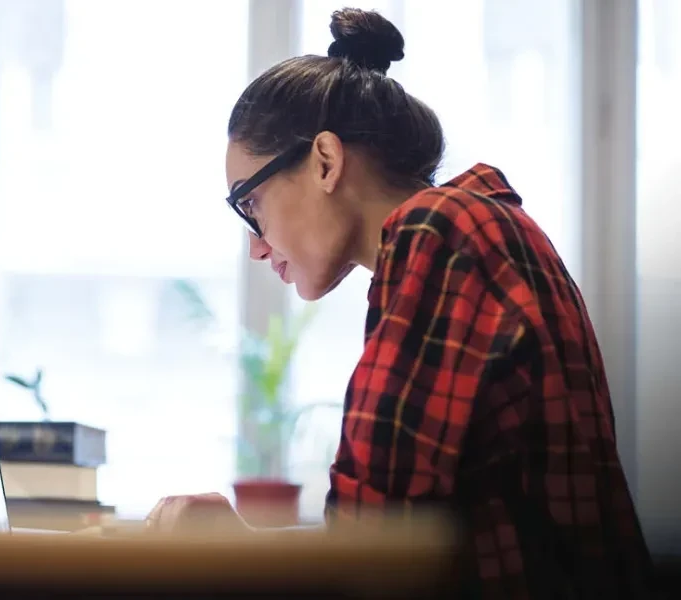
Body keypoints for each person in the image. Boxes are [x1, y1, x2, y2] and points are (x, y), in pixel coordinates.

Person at [145, 8, 653, 598]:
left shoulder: (441, 232)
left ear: (326, 162)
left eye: (249, 206)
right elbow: (392, 533)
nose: (256, 249)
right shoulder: (477, 225)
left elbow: (372, 556)